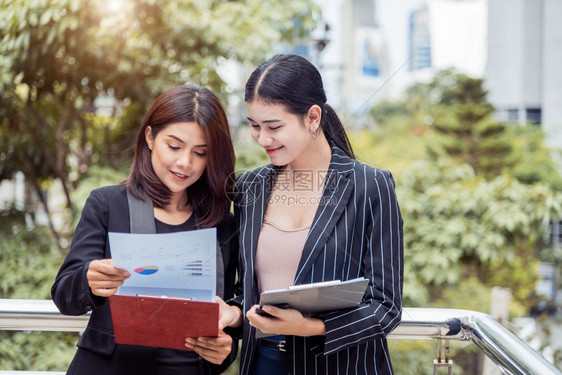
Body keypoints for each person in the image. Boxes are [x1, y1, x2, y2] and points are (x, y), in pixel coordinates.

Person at [211, 54, 404, 374]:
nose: (262, 139)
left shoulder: (370, 186)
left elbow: (386, 307)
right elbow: (248, 296)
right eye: (255, 126)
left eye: (274, 126)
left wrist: (311, 327)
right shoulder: (249, 188)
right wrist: (232, 313)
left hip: (341, 366)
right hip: (264, 364)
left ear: (312, 117)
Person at [51, 84, 238, 375]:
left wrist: (224, 350)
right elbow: (64, 295)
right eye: (174, 146)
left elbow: (229, 312)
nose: (184, 163)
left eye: (200, 153)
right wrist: (89, 280)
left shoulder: (222, 224)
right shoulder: (108, 205)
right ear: (150, 137)